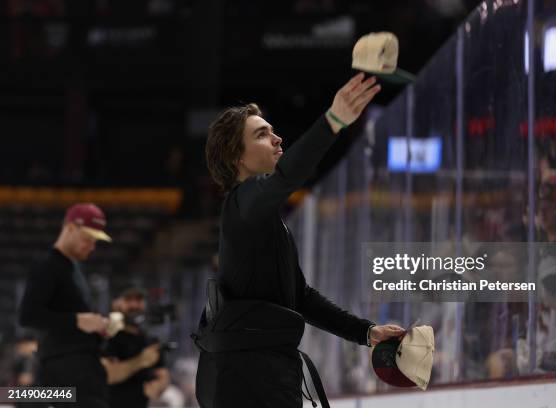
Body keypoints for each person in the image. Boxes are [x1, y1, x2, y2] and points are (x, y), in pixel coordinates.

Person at [199, 73, 406, 407]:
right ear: (237, 156)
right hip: (248, 380)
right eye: (262, 135)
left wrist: (367, 332)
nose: (278, 138)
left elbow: (302, 297)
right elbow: (287, 177)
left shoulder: (263, 221)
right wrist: (332, 121)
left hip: (266, 373)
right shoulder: (242, 203)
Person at [19, 203, 113, 408]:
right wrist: (78, 320)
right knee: (21, 397)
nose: (92, 246)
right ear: (70, 228)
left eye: (95, 240)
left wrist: (98, 326)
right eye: (87, 238)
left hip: (78, 373)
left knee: (24, 398)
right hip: (67, 373)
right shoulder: (47, 264)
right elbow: (28, 315)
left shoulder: (74, 269)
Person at [101, 287, 170, 408]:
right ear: (116, 304)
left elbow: (163, 374)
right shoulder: (106, 337)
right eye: (128, 299)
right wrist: (141, 360)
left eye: (138, 300)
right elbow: (109, 375)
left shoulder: (150, 340)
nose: (134, 305)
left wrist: (159, 386)